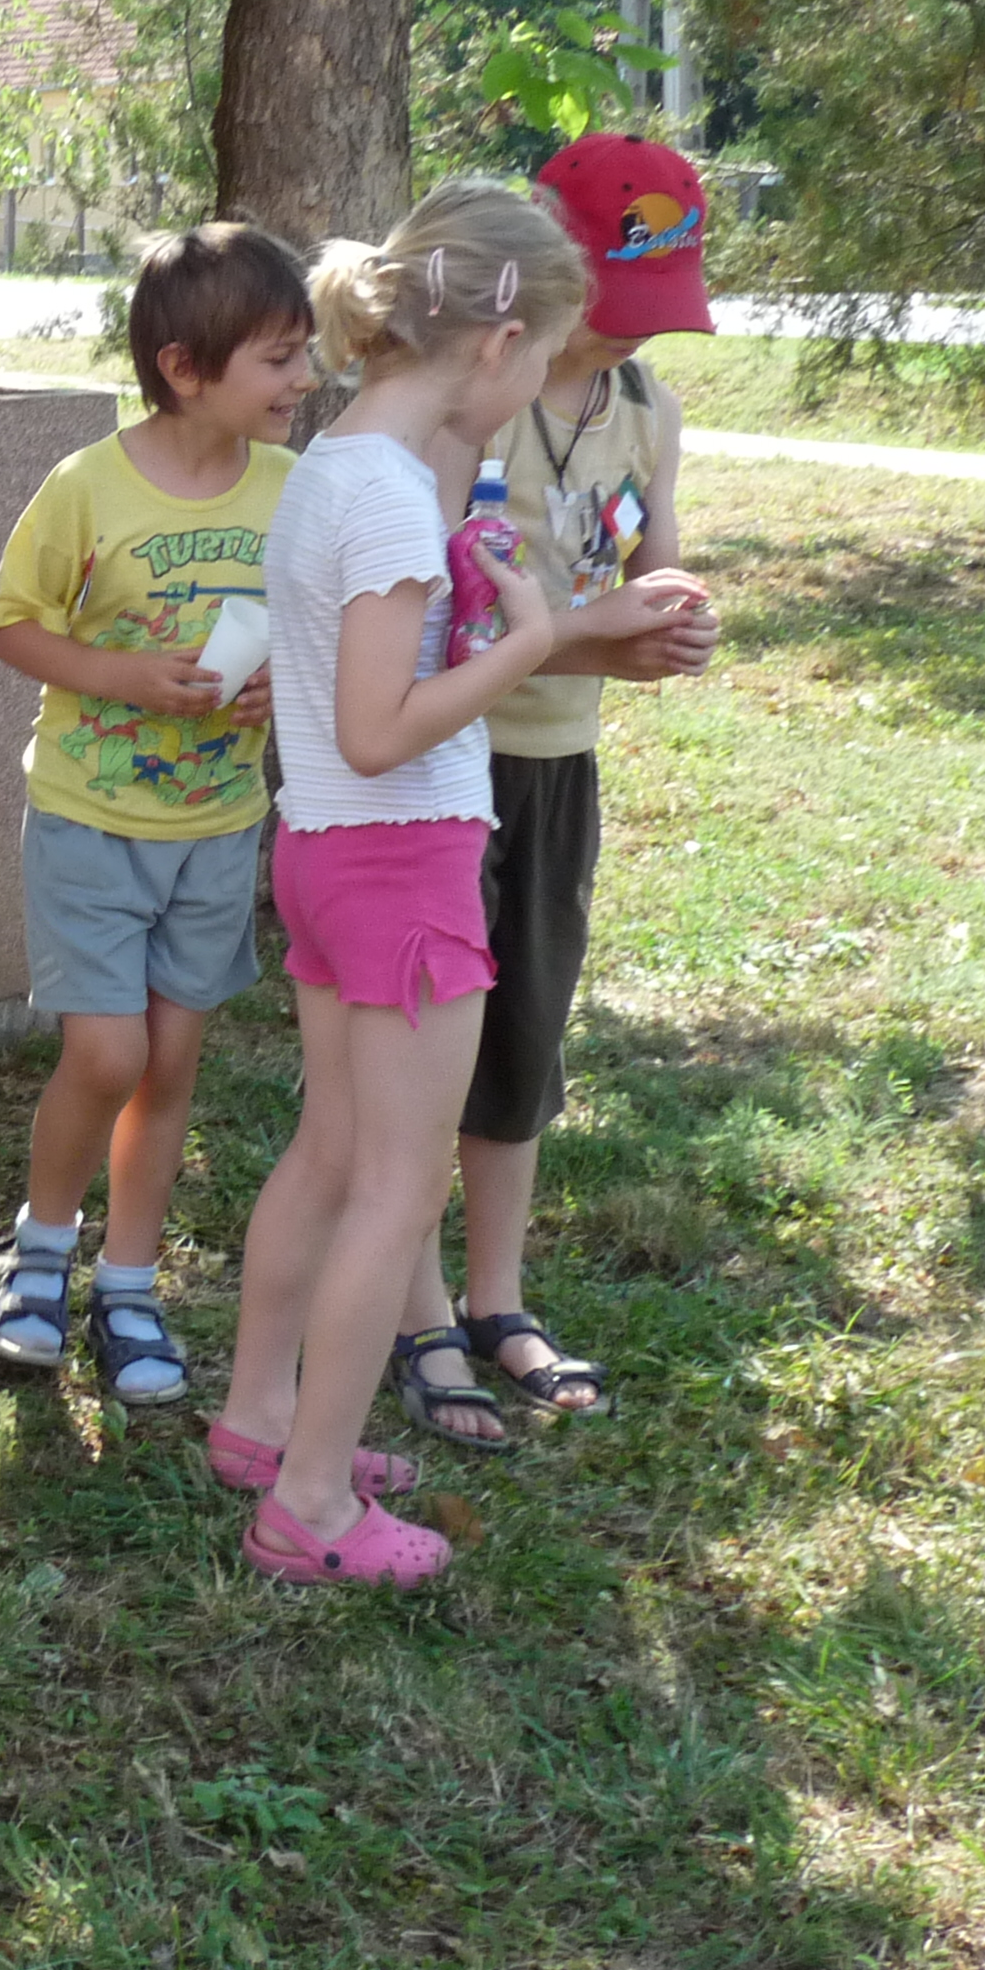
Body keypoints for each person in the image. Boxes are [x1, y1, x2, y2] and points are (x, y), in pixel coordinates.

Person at [209, 181, 700, 1588]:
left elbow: (362, 690)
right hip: (401, 857)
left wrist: (477, 615)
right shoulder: (383, 497)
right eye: (543, 359)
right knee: (397, 1188)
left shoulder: (339, 461)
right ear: (496, 343)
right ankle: (310, 1502)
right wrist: (530, 640)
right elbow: (382, 729)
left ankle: (258, 1422)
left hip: (326, 850)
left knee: (331, 1156)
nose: (543, 386)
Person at [0, 226, 314, 1403]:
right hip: (88, 820)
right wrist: (121, 675)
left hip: (216, 829)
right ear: (185, 368)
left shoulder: (291, 491)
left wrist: (281, 685)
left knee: (169, 1064)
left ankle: (128, 1285)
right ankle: (40, 1252)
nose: (304, 379)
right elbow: (10, 626)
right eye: (279, 358)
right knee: (107, 1054)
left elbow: (311, 635)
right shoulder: (88, 487)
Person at [435, 134, 722, 1434]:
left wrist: (671, 623)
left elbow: (651, 572)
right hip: (445, 762)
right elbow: (440, 623)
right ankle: (413, 1306)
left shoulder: (649, 411)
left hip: (558, 768)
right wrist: (596, 630)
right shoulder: (474, 403)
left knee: (524, 1039)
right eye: (614, 302)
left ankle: (496, 1299)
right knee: (424, 1048)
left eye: (658, 306)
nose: (630, 334)